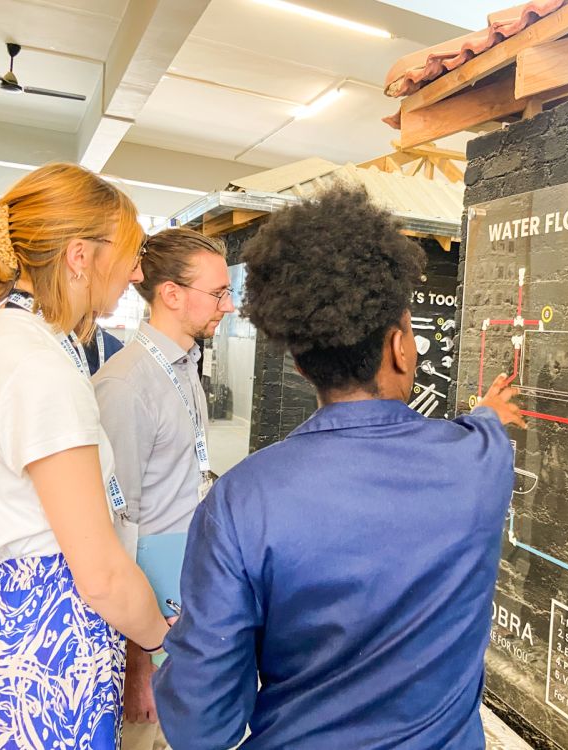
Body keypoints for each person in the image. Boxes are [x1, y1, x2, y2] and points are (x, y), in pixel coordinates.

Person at [154, 188, 525, 749]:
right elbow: (486, 427)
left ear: (301, 366)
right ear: (400, 348)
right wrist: (490, 412)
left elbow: (201, 725)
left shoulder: (241, 501)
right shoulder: (481, 463)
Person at [0, 163, 171, 748]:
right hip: (43, 650)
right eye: (132, 254)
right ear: (79, 256)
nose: (138, 273)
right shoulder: (37, 367)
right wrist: (164, 641)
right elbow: (101, 575)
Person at [93, 228, 234, 749]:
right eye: (218, 293)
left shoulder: (184, 366)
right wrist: (137, 662)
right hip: (144, 615)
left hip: (179, 590)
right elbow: (114, 527)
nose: (229, 305)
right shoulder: (126, 385)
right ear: (171, 294)